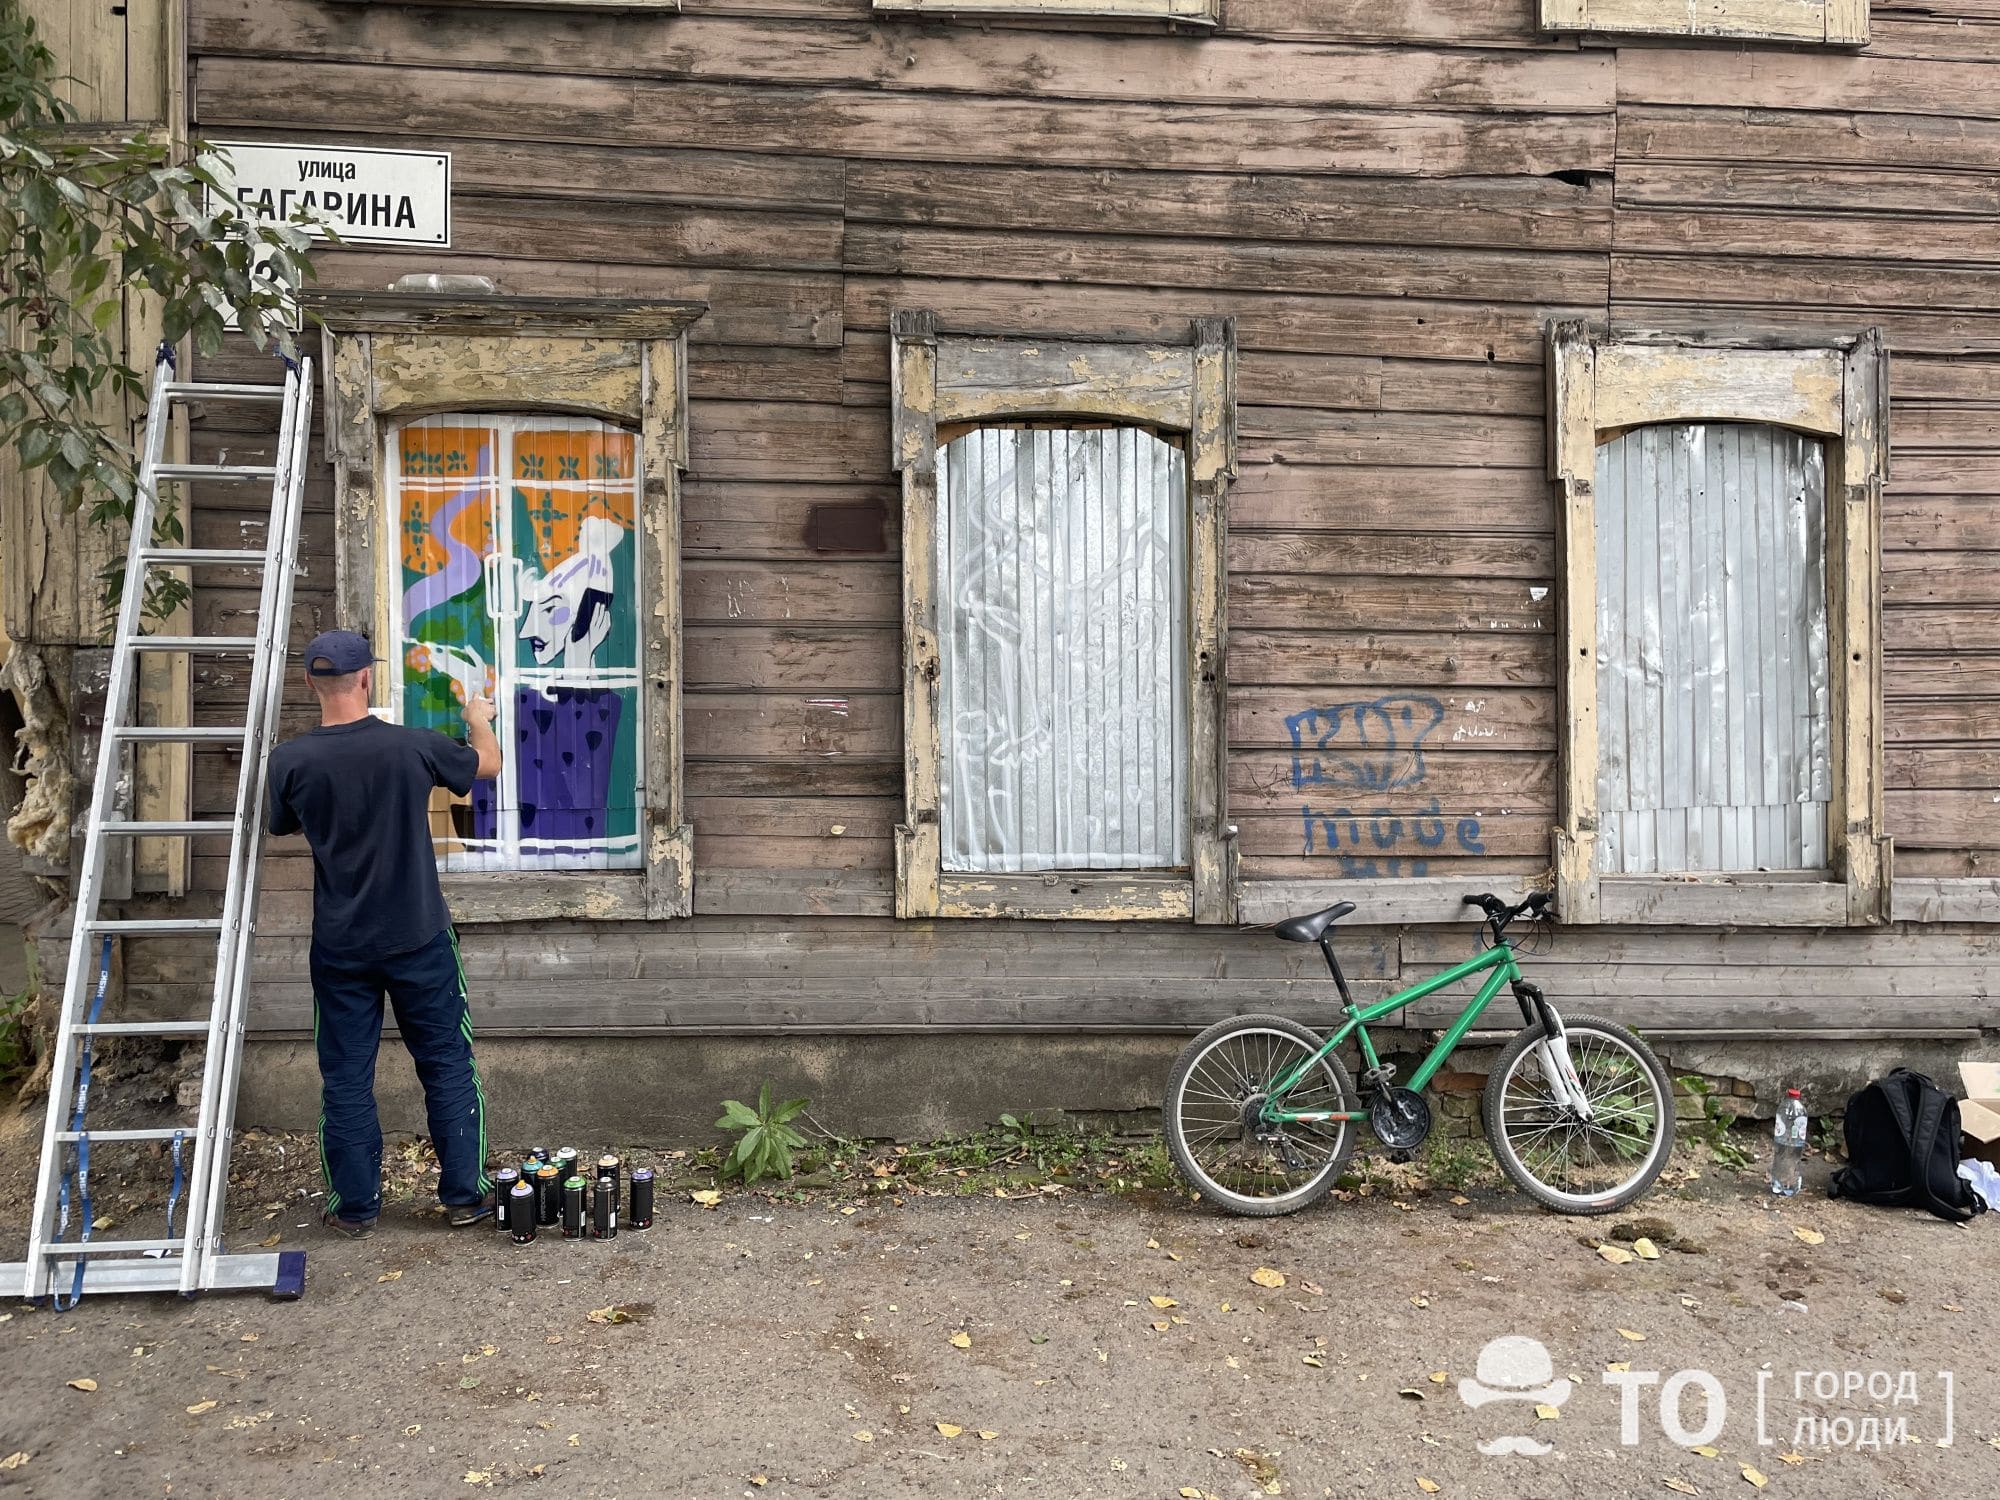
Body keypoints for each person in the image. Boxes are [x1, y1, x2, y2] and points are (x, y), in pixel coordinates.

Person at [267, 629, 502, 1236]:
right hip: (419, 938)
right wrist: (478, 717)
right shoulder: (413, 748)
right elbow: (488, 765)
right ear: (367, 679)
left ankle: (355, 1209)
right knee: (447, 1063)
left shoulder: (291, 762)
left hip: (341, 946)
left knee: (345, 1076)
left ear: (310, 684)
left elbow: (282, 824)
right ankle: (463, 1198)